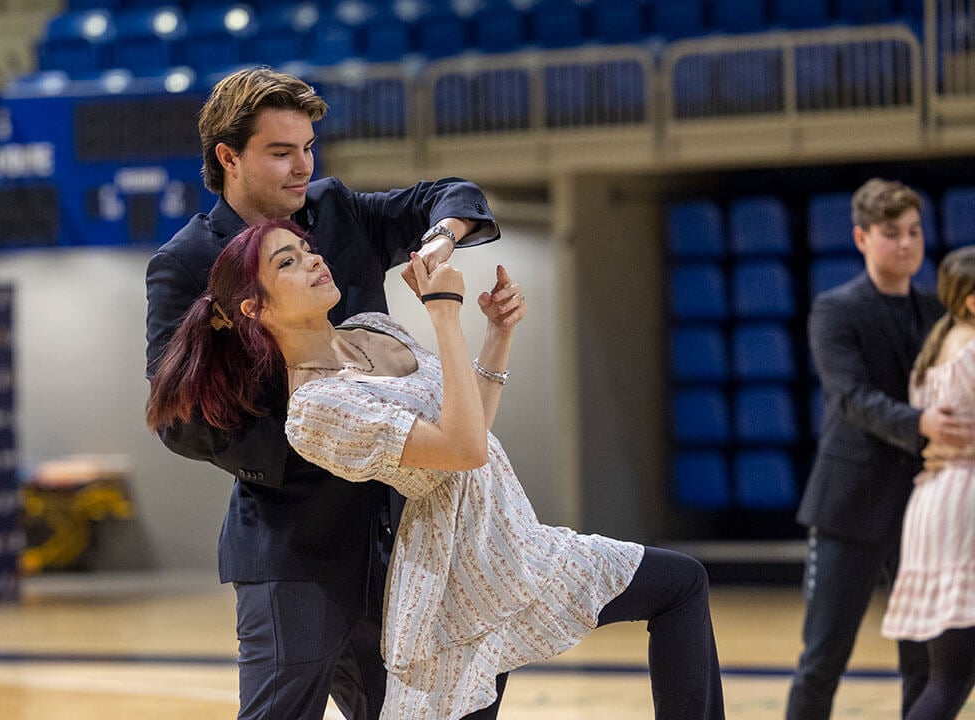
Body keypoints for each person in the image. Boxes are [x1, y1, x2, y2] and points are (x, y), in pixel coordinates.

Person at [148, 219, 726, 719]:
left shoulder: (375, 329)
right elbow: (462, 449)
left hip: (515, 546)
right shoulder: (315, 410)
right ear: (256, 309)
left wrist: (497, 335)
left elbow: (472, 425)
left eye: (306, 248)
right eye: (288, 262)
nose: (313, 259)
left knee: (679, 584)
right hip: (454, 583)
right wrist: (445, 315)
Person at [144, 67, 501, 719]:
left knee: (452, 706)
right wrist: (323, 441)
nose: (303, 166)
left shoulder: (336, 210)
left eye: (308, 148)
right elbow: (180, 418)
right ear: (229, 157)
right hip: (293, 542)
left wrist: (441, 236)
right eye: (281, 151)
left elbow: (453, 194)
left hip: (402, 536)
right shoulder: (186, 260)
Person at [787, 178, 973, 719]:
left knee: (925, 664)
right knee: (822, 659)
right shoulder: (835, 309)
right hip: (851, 505)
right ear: (862, 238)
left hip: (922, 508)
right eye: (893, 233)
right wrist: (923, 425)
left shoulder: (937, 311)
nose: (907, 243)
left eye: (914, 231)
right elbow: (850, 397)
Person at [880, 246, 975, 720]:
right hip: (965, 503)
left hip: (935, 497)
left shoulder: (936, 349)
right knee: (950, 678)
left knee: (949, 675)